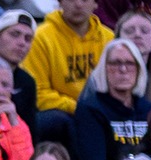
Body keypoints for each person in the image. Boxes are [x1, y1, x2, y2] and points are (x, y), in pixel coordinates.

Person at [71, 39, 151, 160]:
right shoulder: (91, 109)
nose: (123, 69)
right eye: (115, 63)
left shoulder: (149, 109)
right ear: (104, 69)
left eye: (129, 63)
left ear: (138, 70)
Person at [27, 0, 115, 148]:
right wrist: (79, 109)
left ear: (95, 3)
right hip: (64, 116)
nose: (78, 4)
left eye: (85, 0)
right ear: (60, 2)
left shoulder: (109, 39)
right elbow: (39, 94)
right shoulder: (40, 38)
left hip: (101, 114)